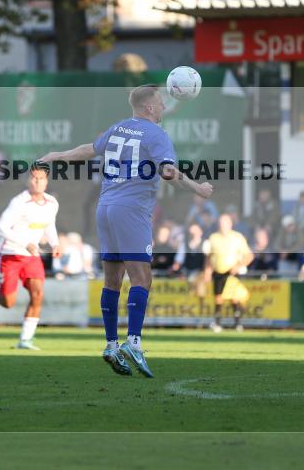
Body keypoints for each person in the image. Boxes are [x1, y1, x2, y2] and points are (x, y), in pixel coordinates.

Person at [39, 84, 213, 377]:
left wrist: (55, 156)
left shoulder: (119, 128)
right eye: (160, 102)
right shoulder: (157, 135)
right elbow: (168, 172)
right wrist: (197, 186)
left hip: (105, 208)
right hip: (131, 211)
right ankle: (133, 341)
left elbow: (87, 151)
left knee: (112, 280)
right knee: (142, 278)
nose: (164, 107)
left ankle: (110, 345)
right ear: (148, 107)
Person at [0, 162, 60, 350]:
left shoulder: (52, 203)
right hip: (10, 254)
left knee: (38, 294)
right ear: (29, 180)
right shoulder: (19, 202)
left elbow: (49, 225)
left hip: (31, 257)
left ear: (46, 181)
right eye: (33, 178)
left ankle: (25, 339)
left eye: (40, 178)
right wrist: (25, 243)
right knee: (8, 302)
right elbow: (1, 228)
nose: (36, 182)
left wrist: (55, 243)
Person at [203, 213, 254, 333]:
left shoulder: (237, 237)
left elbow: (249, 256)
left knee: (234, 297)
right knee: (218, 298)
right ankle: (217, 323)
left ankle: (237, 323)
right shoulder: (213, 238)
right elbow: (209, 257)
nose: (222, 226)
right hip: (218, 271)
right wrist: (207, 271)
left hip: (232, 272)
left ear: (230, 224)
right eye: (221, 223)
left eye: (225, 223)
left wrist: (238, 265)